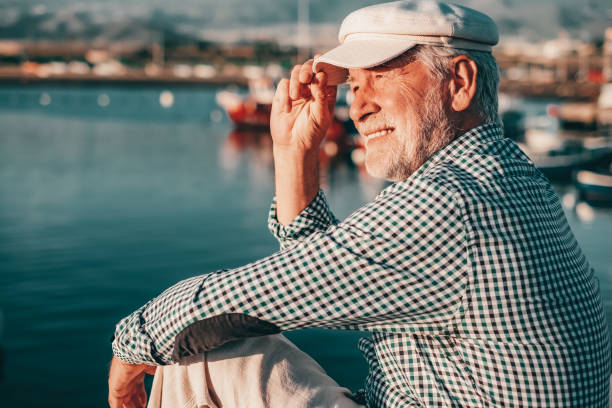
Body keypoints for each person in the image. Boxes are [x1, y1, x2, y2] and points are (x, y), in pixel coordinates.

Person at [108, 1, 611, 407]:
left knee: (196, 354)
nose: (358, 105)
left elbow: (249, 299)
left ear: (459, 83)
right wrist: (294, 153)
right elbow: (315, 274)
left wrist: (128, 351)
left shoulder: (452, 203)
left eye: (381, 75)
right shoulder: (505, 178)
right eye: (352, 84)